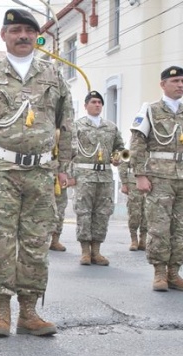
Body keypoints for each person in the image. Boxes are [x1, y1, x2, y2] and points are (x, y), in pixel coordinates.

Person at [0, 9, 73, 337]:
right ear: (4, 35)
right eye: (16, 30)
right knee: (0, 242)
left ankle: (28, 312)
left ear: (36, 37)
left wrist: (65, 166)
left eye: (28, 31)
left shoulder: (53, 74)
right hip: (0, 172)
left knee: (36, 243)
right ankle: (0, 312)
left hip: (39, 172)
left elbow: (66, 123)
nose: (23, 36)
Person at [130, 66, 183, 292]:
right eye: (175, 81)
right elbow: (137, 144)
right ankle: (159, 273)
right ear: (163, 84)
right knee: (159, 226)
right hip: (158, 178)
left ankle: (175, 272)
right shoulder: (150, 111)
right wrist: (140, 175)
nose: (180, 85)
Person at [71, 91, 125, 266]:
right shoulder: (77, 126)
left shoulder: (111, 127)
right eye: (93, 102)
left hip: (105, 176)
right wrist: (69, 175)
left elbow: (122, 148)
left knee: (103, 213)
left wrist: (118, 157)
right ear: (86, 106)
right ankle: (85, 251)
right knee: (84, 212)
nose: (97, 105)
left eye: (100, 102)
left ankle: (97, 250)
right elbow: (68, 151)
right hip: (84, 176)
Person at [118, 157, 148, 251]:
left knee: (148, 213)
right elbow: (122, 166)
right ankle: (134, 240)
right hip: (133, 183)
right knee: (134, 212)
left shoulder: (153, 147)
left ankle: (143, 239)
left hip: (150, 183)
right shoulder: (130, 150)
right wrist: (124, 183)